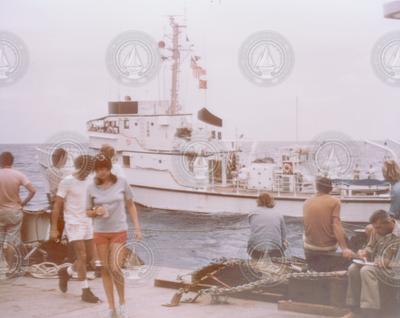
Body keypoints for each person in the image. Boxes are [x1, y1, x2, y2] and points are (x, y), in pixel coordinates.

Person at [87, 154, 141, 318]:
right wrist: (95, 211)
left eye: (104, 168)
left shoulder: (122, 182)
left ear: (110, 168)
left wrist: (137, 227)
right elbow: (86, 211)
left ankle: (122, 302)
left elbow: (131, 205)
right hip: (100, 231)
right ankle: (111, 307)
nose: (101, 172)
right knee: (105, 269)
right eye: (98, 169)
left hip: (119, 230)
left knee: (116, 268)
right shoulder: (91, 187)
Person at [50, 154, 100, 303]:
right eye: (86, 169)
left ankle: (66, 272)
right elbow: (57, 205)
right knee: (82, 257)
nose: (88, 172)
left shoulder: (91, 181)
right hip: (73, 223)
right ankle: (85, 291)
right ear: (79, 167)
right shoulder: (67, 182)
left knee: (90, 258)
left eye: (90, 170)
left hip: (87, 222)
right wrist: (54, 228)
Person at [346, 210, 400, 317]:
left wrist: (388, 263)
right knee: (353, 268)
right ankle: (355, 309)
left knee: (367, 270)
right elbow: (370, 247)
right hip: (379, 266)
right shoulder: (377, 231)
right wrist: (363, 252)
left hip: (395, 271)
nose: (375, 230)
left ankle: (370, 312)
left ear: (389, 222)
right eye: (374, 227)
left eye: (378, 227)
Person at [303, 177, 353, 271]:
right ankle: (348, 254)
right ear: (331, 189)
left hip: (308, 248)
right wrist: (344, 248)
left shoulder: (306, 202)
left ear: (317, 187)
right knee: (343, 231)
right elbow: (336, 226)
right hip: (326, 248)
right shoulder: (335, 201)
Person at [0, 151, 36, 253]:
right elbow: (33, 191)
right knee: (12, 243)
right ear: (12, 162)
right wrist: (23, 203)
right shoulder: (18, 174)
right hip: (14, 212)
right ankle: (11, 268)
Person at [247, 192, 288, 260]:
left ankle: (255, 260)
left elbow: (253, 228)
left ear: (258, 201)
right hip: (274, 251)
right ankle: (277, 260)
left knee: (253, 239)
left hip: (256, 250)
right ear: (272, 201)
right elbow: (284, 236)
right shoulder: (279, 214)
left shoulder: (252, 213)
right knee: (285, 242)